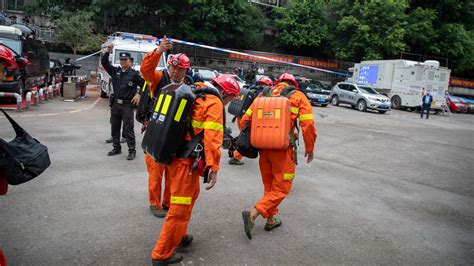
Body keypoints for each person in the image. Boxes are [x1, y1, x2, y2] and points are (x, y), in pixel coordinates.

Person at [150, 74, 240, 265]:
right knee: (179, 207)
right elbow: (212, 138)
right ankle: (162, 254)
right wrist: (213, 168)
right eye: (231, 98)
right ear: (225, 92)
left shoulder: (195, 90)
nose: (229, 102)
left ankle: (178, 236)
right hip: (185, 163)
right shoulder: (213, 102)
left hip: (177, 158)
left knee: (189, 198)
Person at [240, 73, 316, 239]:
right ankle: (253, 214)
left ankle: (271, 220)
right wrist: (309, 148)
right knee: (281, 188)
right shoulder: (298, 96)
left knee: (270, 187)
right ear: (293, 84)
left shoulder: (263, 94)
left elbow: (244, 120)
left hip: (263, 149)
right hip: (283, 151)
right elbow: (308, 124)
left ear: (278, 83)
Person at [101, 44, 143, 160]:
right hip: (115, 104)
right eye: (121, 59)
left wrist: (139, 94)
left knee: (128, 128)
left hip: (127, 105)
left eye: (125, 60)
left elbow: (145, 86)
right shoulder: (115, 71)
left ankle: (131, 150)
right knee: (114, 127)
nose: (123, 61)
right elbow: (105, 63)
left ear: (130, 61)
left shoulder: (134, 74)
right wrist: (108, 52)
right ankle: (116, 148)